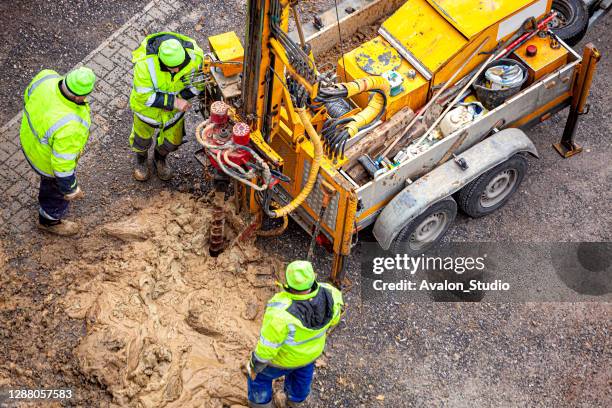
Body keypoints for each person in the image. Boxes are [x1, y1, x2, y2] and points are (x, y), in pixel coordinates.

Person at [247, 260, 344, 407]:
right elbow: (334, 320)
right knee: (301, 379)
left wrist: (255, 365)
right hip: (309, 356)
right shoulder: (331, 294)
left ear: (288, 283)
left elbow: (268, 347)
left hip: (282, 361)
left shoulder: (280, 310)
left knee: (259, 378)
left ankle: (261, 404)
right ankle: (294, 402)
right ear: (312, 278)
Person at [19, 67, 96, 236]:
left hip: (28, 137)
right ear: (79, 96)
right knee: (55, 190)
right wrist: (69, 188)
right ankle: (49, 221)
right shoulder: (71, 124)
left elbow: (27, 97)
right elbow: (62, 164)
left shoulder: (47, 77)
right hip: (45, 161)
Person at [129, 32, 205, 181]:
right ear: (160, 60)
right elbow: (143, 96)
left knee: (172, 142)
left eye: (179, 66)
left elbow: (199, 83)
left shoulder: (195, 57)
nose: (176, 71)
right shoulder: (144, 63)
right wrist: (174, 103)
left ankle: (160, 158)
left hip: (173, 116)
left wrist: (180, 98)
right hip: (147, 113)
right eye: (171, 68)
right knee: (141, 140)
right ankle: (141, 160)